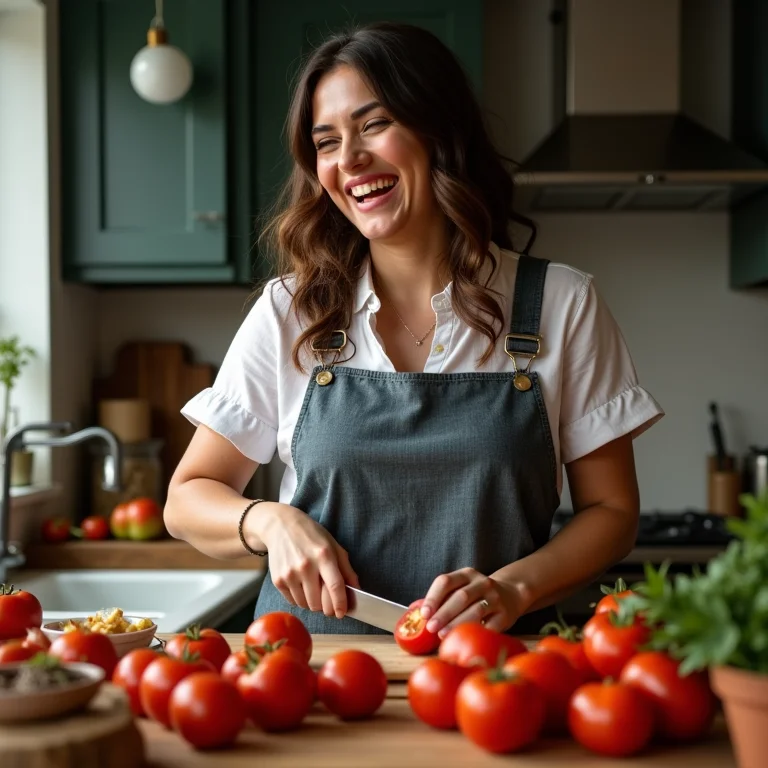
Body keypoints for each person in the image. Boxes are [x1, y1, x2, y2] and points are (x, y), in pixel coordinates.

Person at [164, 22, 663, 637]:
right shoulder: (291, 311)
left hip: (485, 679)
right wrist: (270, 522)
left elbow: (612, 512)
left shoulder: (562, 304)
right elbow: (188, 497)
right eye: (326, 142)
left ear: (438, 130)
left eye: (374, 125)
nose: (349, 160)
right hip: (307, 676)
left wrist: (513, 588)